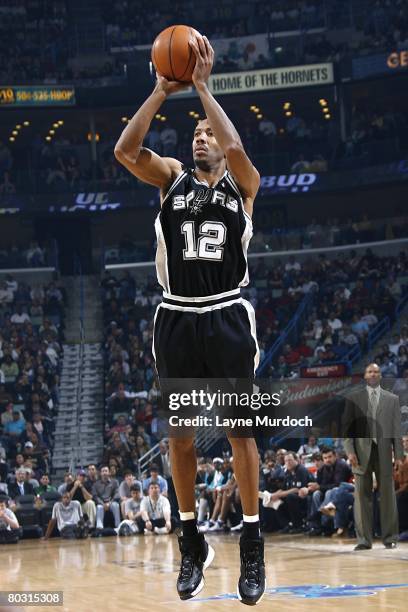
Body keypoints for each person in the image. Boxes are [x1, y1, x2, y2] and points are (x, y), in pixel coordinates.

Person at [115, 32, 264, 604]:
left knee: (239, 433)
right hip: (176, 317)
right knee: (180, 438)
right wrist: (159, 91)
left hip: (227, 315)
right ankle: (190, 539)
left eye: (208, 134)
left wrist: (202, 87)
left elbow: (240, 147)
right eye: (195, 133)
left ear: (221, 146)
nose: (200, 138)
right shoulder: (171, 178)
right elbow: (126, 152)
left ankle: (252, 544)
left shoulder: (242, 186)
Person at [343, 363, 404, 550]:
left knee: (388, 497)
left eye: (377, 371)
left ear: (380, 375)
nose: (373, 374)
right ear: (365, 375)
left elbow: (396, 430)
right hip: (360, 453)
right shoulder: (353, 398)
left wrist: (399, 456)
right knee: (362, 498)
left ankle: (390, 538)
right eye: (370, 371)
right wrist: (350, 451)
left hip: (385, 452)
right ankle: (364, 540)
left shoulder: (392, 399)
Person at [92, 465, 121, 531]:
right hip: (101, 503)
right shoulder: (96, 484)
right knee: (99, 507)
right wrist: (103, 504)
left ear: (109, 473)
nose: (104, 473)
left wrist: (110, 503)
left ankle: (118, 526)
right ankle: (99, 528)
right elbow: (95, 496)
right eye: (103, 471)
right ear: (100, 473)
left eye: (106, 471)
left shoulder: (115, 482)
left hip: (111, 502)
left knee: (116, 505)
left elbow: (116, 494)